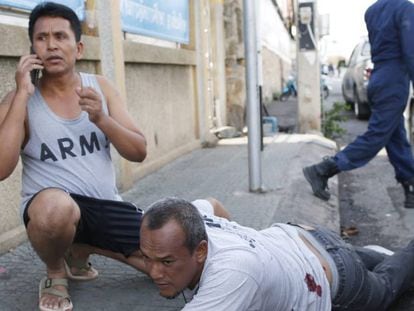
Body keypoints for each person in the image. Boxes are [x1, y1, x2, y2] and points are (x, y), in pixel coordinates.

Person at [0, 3, 148, 311]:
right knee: (56, 207)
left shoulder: (101, 87)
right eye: (41, 38)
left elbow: (139, 151)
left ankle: (81, 249)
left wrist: (102, 120)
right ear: (31, 49)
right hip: (54, 213)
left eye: (60, 36)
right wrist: (22, 95)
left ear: (78, 47)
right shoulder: (19, 100)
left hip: (106, 209)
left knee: (166, 264)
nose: (51, 44)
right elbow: (1, 169)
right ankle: (56, 272)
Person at [140, 197, 414, 311]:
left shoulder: (231, 275)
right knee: (393, 264)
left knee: (388, 286)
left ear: (200, 250)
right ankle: (382, 258)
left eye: (166, 262)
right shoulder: (191, 217)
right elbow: (212, 203)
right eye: (147, 258)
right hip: (303, 237)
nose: (154, 273)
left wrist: (252, 264)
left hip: (336, 278)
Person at [303, 0, 414, 208]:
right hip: (394, 79)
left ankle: (410, 186)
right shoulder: (405, 8)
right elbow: (411, 51)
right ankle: (323, 169)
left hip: (378, 76)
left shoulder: (371, 11)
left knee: (396, 136)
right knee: (377, 135)